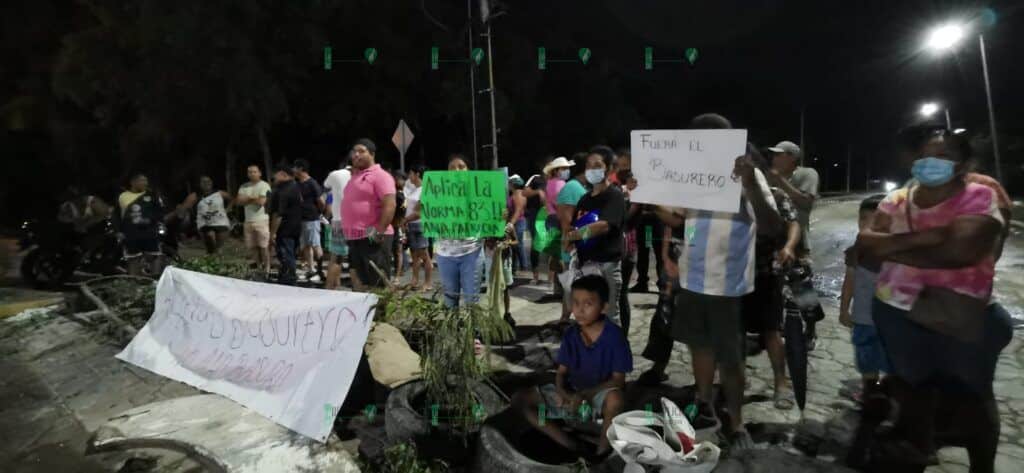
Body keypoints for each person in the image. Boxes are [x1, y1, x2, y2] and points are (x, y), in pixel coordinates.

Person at [857, 127, 1007, 469]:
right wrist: (937, 236)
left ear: (964, 163)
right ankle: (919, 450)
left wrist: (893, 246)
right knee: (913, 391)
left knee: (974, 398)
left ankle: (982, 466)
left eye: (944, 157)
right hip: (896, 313)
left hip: (958, 314)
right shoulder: (895, 200)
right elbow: (865, 252)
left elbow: (960, 252)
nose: (931, 163)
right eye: (925, 156)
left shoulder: (980, 196)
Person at [653, 114, 782, 449]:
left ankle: (736, 423)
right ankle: (705, 405)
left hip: (729, 285)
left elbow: (771, 226)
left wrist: (751, 184)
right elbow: (679, 218)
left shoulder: (748, 175)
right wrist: (650, 197)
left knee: (732, 359)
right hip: (693, 280)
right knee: (700, 347)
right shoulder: (693, 178)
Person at [512, 275, 630, 459]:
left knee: (616, 399)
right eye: (575, 303)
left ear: (604, 307)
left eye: (587, 304)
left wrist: (584, 396)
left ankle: (601, 453)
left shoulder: (615, 337)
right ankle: (570, 445)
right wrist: (564, 393)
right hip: (571, 393)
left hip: (598, 396)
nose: (579, 310)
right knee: (521, 399)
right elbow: (561, 373)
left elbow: (618, 380)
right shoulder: (571, 334)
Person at [741, 153, 801, 410]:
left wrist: (789, 246)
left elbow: (792, 224)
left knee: (772, 331)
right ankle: (738, 379)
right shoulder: (724, 197)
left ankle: (781, 383)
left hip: (767, 271)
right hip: (734, 274)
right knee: (735, 330)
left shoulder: (776, 195)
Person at [565, 146, 627, 330]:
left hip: (606, 266)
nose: (592, 169)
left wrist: (577, 234)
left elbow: (604, 225)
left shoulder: (614, 196)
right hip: (585, 266)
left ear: (608, 168)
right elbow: (575, 224)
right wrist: (569, 240)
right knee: (587, 316)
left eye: (597, 165)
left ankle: (612, 355)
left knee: (609, 317)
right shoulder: (585, 199)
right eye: (589, 165)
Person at [839, 195, 889, 402]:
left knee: (891, 359)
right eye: (863, 219)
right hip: (863, 318)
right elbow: (849, 280)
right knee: (866, 358)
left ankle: (889, 391)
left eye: (874, 220)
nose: (867, 225)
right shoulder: (855, 252)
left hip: (891, 321)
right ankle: (871, 390)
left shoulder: (898, 251)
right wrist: (844, 309)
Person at [341, 139, 397, 289]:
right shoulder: (354, 176)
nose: (356, 155)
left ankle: (382, 313)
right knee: (362, 283)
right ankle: (368, 312)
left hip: (372, 235)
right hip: (355, 237)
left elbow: (389, 204)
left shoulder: (381, 176)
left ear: (372, 154)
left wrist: (379, 230)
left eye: (361, 151)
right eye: (354, 152)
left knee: (378, 283)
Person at [434, 155, 484, 308]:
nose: (456, 170)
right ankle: (452, 330)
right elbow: (424, 212)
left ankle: (473, 330)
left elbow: (491, 216)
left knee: (471, 299)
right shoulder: (437, 192)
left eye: (461, 166)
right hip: (445, 254)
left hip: (472, 252)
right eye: (452, 167)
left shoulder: (479, 192)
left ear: (468, 170)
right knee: (450, 299)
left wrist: (499, 217)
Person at [538, 156, 575, 301]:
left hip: (551, 219)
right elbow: (562, 205)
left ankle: (558, 288)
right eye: (564, 168)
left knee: (556, 255)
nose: (566, 171)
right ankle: (562, 288)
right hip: (557, 219)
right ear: (556, 170)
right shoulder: (559, 184)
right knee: (561, 255)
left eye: (567, 168)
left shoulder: (552, 183)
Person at [117, 174, 166, 276]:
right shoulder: (122, 196)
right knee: (133, 258)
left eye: (146, 180)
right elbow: (116, 215)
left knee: (154, 256)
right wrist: (118, 231)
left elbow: (160, 212)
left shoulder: (153, 195)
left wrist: (150, 220)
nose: (145, 183)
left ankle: (155, 280)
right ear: (133, 182)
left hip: (150, 232)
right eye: (141, 180)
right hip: (131, 233)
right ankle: (133, 281)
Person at [179, 176, 233, 255]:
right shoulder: (194, 196)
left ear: (211, 182)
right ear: (199, 184)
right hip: (205, 224)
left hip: (221, 222)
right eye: (203, 182)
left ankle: (215, 260)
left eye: (208, 181)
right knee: (210, 239)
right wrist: (183, 217)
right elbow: (184, 208)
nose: (206, 183)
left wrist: (228, 209)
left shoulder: (219, 193)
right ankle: (211, 255)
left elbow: (231, 199)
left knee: (219, 249)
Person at [269, 163, 303, 285]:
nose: (274, 178)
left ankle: (288, 282)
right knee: (290, 255)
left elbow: (278, 214)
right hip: (295, 228)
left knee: (286, 256)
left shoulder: (283, 190)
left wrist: (272, 234)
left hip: (285, 230)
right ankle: (286, 278)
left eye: (276, 176)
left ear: (283, 174)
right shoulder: (296, 186)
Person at [236, 165, 273, 277]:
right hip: (248, 221)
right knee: (252, 247)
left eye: (254, 172)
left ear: (259, 173)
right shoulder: (244, 186)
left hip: (261, 220)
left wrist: (247, 199)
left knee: (263, 246)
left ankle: (267, 269)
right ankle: (258, 268)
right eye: (249, 172)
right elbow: (238, 201)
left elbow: (261, 202)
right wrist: (254, 198)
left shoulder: (264, 185)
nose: (252, 174)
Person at [323, 154, 353, 290]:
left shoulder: (335, 174)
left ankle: (330, 288)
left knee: (336, 257)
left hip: (338, 220)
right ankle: (357, 291)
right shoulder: (362, 174)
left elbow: (326, 185)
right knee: (356, 258)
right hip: (356, 221)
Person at [292, 159, 325, 282]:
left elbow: (321, 201)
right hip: (301, 219)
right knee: (306, 246)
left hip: (312, 219)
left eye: (294, 168)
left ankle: (320, 271)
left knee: (316, 244)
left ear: (300, 169)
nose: (293, 171)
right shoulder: (297, 184)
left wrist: (318, 213)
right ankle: (311, 270)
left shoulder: (312, 183)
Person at [403, 164, 433, 291]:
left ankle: (428, 283)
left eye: (411, 173)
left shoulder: (424, 190)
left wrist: (404, 220)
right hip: (411, 226)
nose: (409, 176)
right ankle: (414, 281)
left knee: (424, 255)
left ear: (417, 175)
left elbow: (419, 212)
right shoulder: (415, 189)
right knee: (414, 255)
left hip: (420, 225)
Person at [522, 172, 547, 285]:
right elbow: (524, 192)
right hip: (535, 214)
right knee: (536, 245)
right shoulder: (535, 177)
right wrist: (538, 192)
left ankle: (552, 280)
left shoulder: (558, 181)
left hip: (551, 213)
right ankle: (536, 276)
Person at [507, 175, 529, 276]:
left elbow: (518, 211)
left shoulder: (518, 195)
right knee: (514, 245)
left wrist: (511, 223)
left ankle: (523, 266)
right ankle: (515, 267)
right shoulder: (516, 194)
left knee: (517, 245)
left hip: (518, 222)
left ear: (512, 184)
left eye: (509, 183)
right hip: (516, 222)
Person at [391, 170, 408, 283]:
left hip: (397, 226)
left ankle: (398, 274)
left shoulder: (399, 195)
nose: (396, 181)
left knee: (398, 251)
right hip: (396, 225)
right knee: (397, 251)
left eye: (399, 179)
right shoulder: (397, 194)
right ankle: (399, 272)